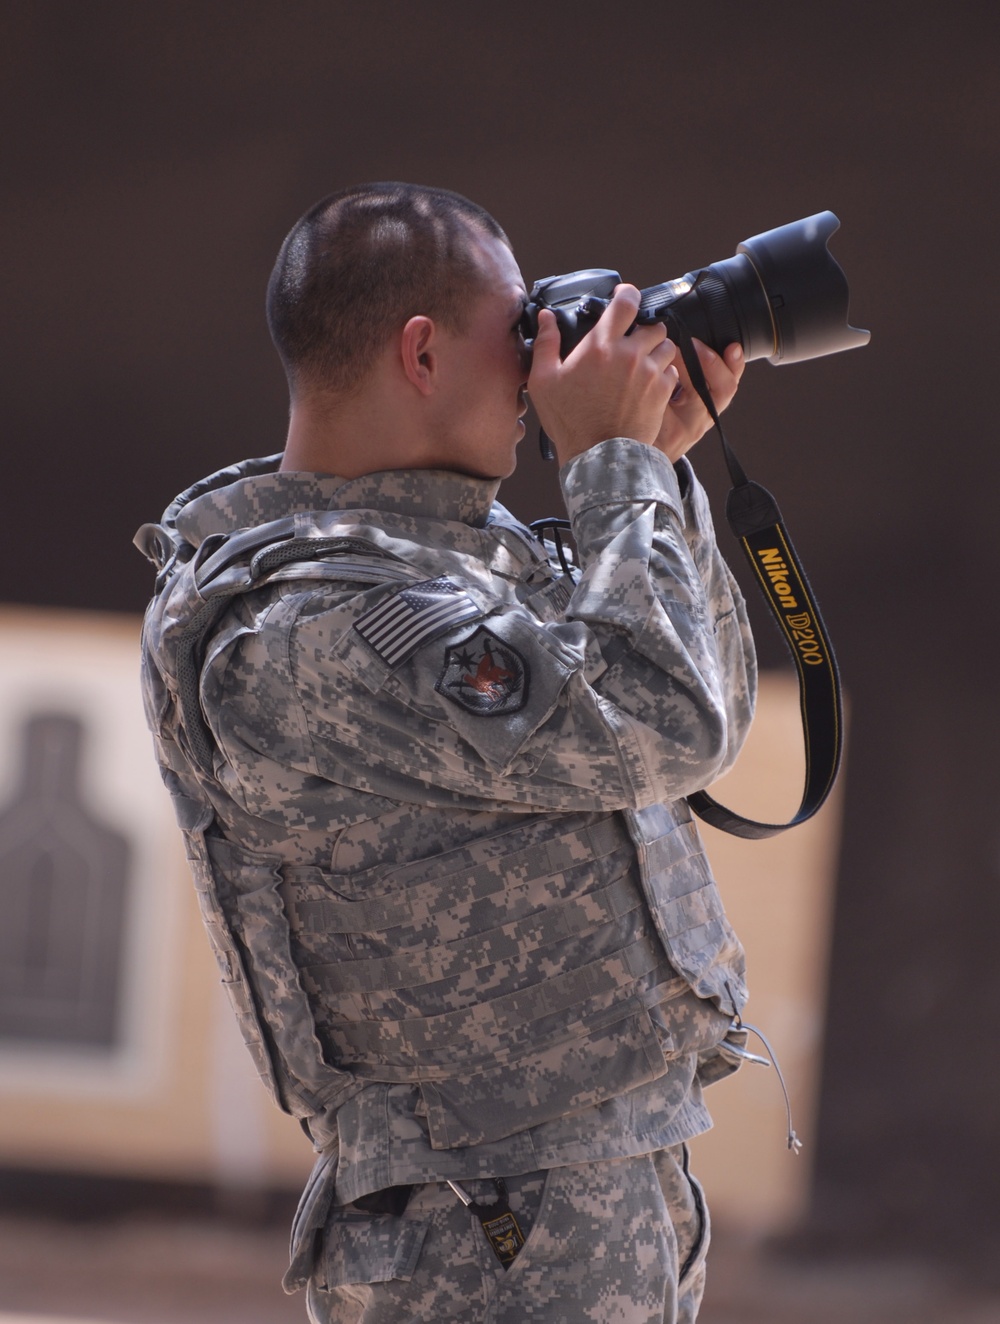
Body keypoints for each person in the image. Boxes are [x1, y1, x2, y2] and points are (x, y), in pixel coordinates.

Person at [135, 182, 753, 1324]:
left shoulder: (459, 565)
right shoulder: (311, 624)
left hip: (589, 1178)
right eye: (519, 331)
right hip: (489, 1215)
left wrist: (655, 473)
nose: (539, 366)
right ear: (421, 353)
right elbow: (659, 723)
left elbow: (699, 716)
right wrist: (611, 467)